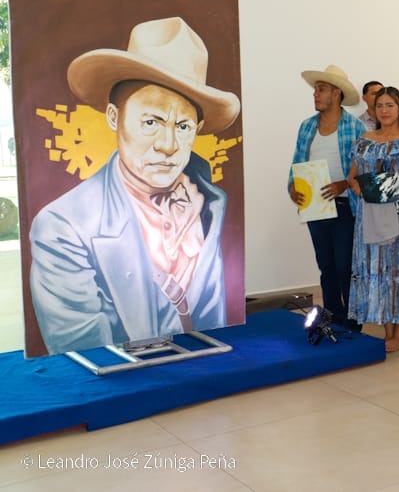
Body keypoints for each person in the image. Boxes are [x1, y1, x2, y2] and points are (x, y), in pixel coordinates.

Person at [29, 17, 241, 354]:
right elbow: (85, 348)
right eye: (151, 121)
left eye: (183, 126)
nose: (169, 145)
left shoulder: (210, 203)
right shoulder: (63, 226)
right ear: (114, 117)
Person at [348, 87, 399, 352]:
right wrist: (361, 188)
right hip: (369, 212)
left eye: (390, 105)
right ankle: (387, 331)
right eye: (380, 105)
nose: (384, 110)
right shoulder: (364, 139)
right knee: (377, 267)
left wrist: (367, 187)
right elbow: (352, 177)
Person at [288, 64, 366, 333]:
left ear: (336, 93)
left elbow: (364, 169)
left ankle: (352, 320)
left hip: (345, 205)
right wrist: (292, 188)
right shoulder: (307, 126)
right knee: (326, 265)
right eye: (315, 89)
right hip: (315, 206)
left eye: (321, 89)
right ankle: (333, 315)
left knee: (345, 265)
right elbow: (297, 163)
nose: (315, 94)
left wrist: (344, 183)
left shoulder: (354, 127)